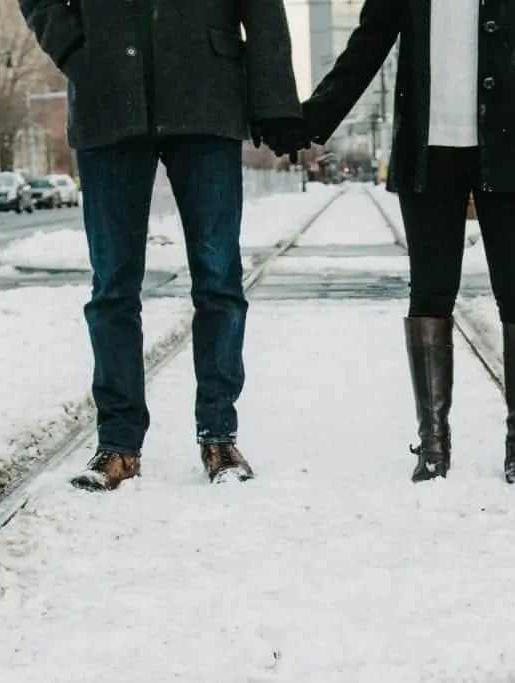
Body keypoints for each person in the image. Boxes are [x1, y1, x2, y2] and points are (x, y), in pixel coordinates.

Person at [275, 0, 515, 483]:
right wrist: (311, 120)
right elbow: (368, 44)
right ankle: (434, 445)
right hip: (428, 150)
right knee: (430, 291)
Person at [19, 0, 310, 491]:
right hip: (107, 95)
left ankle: (219, 436)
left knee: (219, 279)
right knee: (113, 286)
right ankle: (118, 445)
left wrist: (275, 99)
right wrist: (75, 48)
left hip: (206, 92)